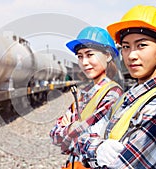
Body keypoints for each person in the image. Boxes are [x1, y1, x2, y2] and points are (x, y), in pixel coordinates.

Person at [74, 5, 156, 168]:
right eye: (126, 47)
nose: (131, 55)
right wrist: (102, 149)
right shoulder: (128, 97)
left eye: (141, 45)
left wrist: (93, 149)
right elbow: (81, 137)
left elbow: (122, 166)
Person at [49, 26, 123, 168]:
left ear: (107, 55)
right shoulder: (86, 92)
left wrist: (69, 129)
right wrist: (72, 129)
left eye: (90, 55)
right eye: (80, 56)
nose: (84, 62)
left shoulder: (113, 93)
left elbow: (74, 140)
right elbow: (54, 134)